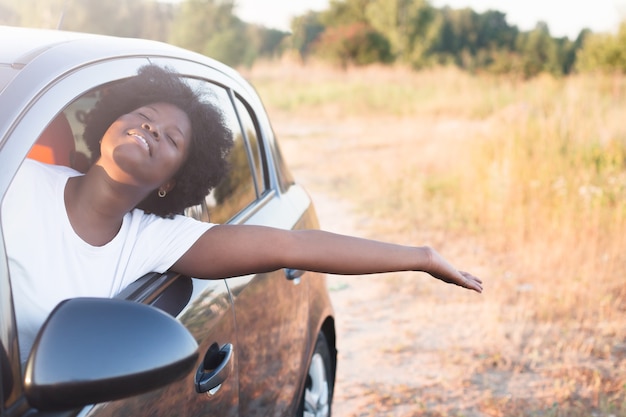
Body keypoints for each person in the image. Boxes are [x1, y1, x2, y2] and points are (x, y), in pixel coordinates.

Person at [2, 65, 482, 360]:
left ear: (172, 181)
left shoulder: (151, 239)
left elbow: (291, 246)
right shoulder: (16, 179)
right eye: (143, 116)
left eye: (171, 138)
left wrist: (420, 256)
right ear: (109, 124)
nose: (150, 130)